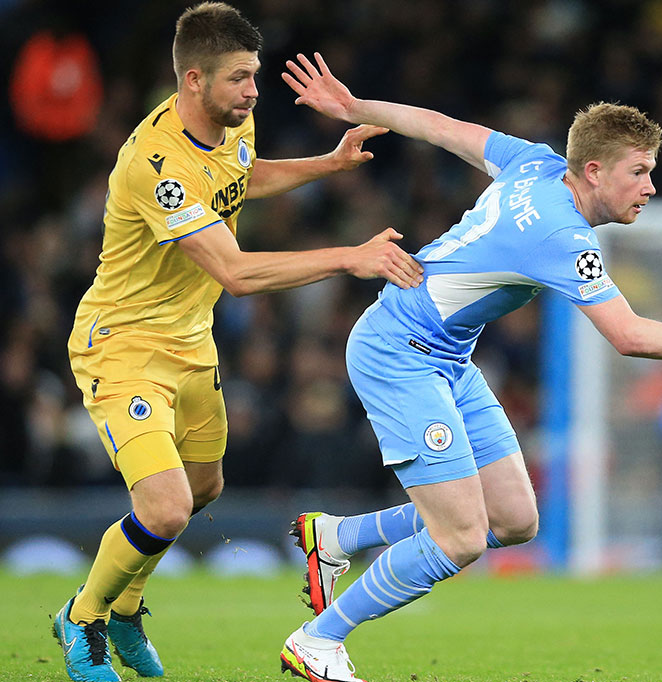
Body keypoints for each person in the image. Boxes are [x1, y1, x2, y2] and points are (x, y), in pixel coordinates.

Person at [275, 52, 662, 682]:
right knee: (460, 537)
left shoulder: (536, 162)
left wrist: (356, 108)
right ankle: (318, 640)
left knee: (514, 519)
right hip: (398, 352)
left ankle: (340, 538)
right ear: (594, 171)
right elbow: (627, 336)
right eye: (641, 172)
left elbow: (438, 126)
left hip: (447, 357)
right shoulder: (562, 236)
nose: (651, 186)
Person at [53, 4, 423, 682]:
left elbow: (237, 180)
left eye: (254, 77)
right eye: (240, 80)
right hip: (125, 345)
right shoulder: (154, 165)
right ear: (193, 80)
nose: (254, 92)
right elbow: (236, 273)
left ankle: (128, 602)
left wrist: (327, 164)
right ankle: (82, 618)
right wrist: (348, 256)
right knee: (162, 508)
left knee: (203, 490)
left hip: (191, 341)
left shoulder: (233, 123)